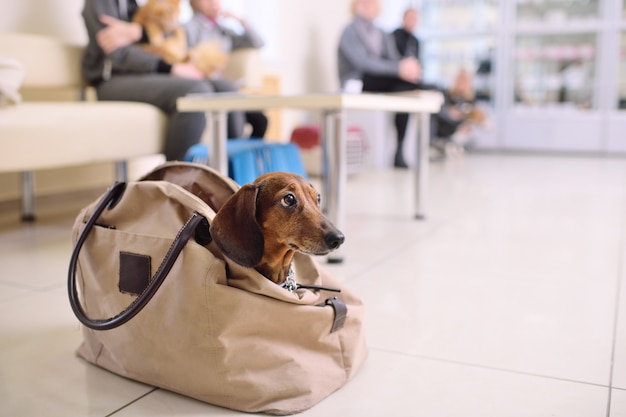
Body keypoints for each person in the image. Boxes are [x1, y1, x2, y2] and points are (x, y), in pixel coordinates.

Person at [81, 0, 245, 161]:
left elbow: (167, 30)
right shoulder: (100, 3)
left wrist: (138, 32)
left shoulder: (132, 4)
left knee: (225, 88)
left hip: (141, 73)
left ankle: (231, 174)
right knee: (196, 90)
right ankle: (174, 180)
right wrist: (170, 67)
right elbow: (118, 54)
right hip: (111, 80)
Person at [338, 0, 423, 168]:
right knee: (404, 80)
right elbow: (363, 63)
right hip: (358, 80)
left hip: (379, 78)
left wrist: (407, 68)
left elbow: (393, 60)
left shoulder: (382, 33)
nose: (368, 3)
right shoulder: (349, 31)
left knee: (405, 88)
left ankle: (399, 149)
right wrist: (400, 68)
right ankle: (427, 87)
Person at [185, 0, 268, 138]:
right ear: (194, 3)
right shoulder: (187, 28)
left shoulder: (223, 31)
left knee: (260, 120)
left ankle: (242, 157)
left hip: (224, 86)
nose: (213, 3)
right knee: (227, 91)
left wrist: (239, 20)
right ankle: (230, 150)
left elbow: (258, 42)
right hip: (203, 83)